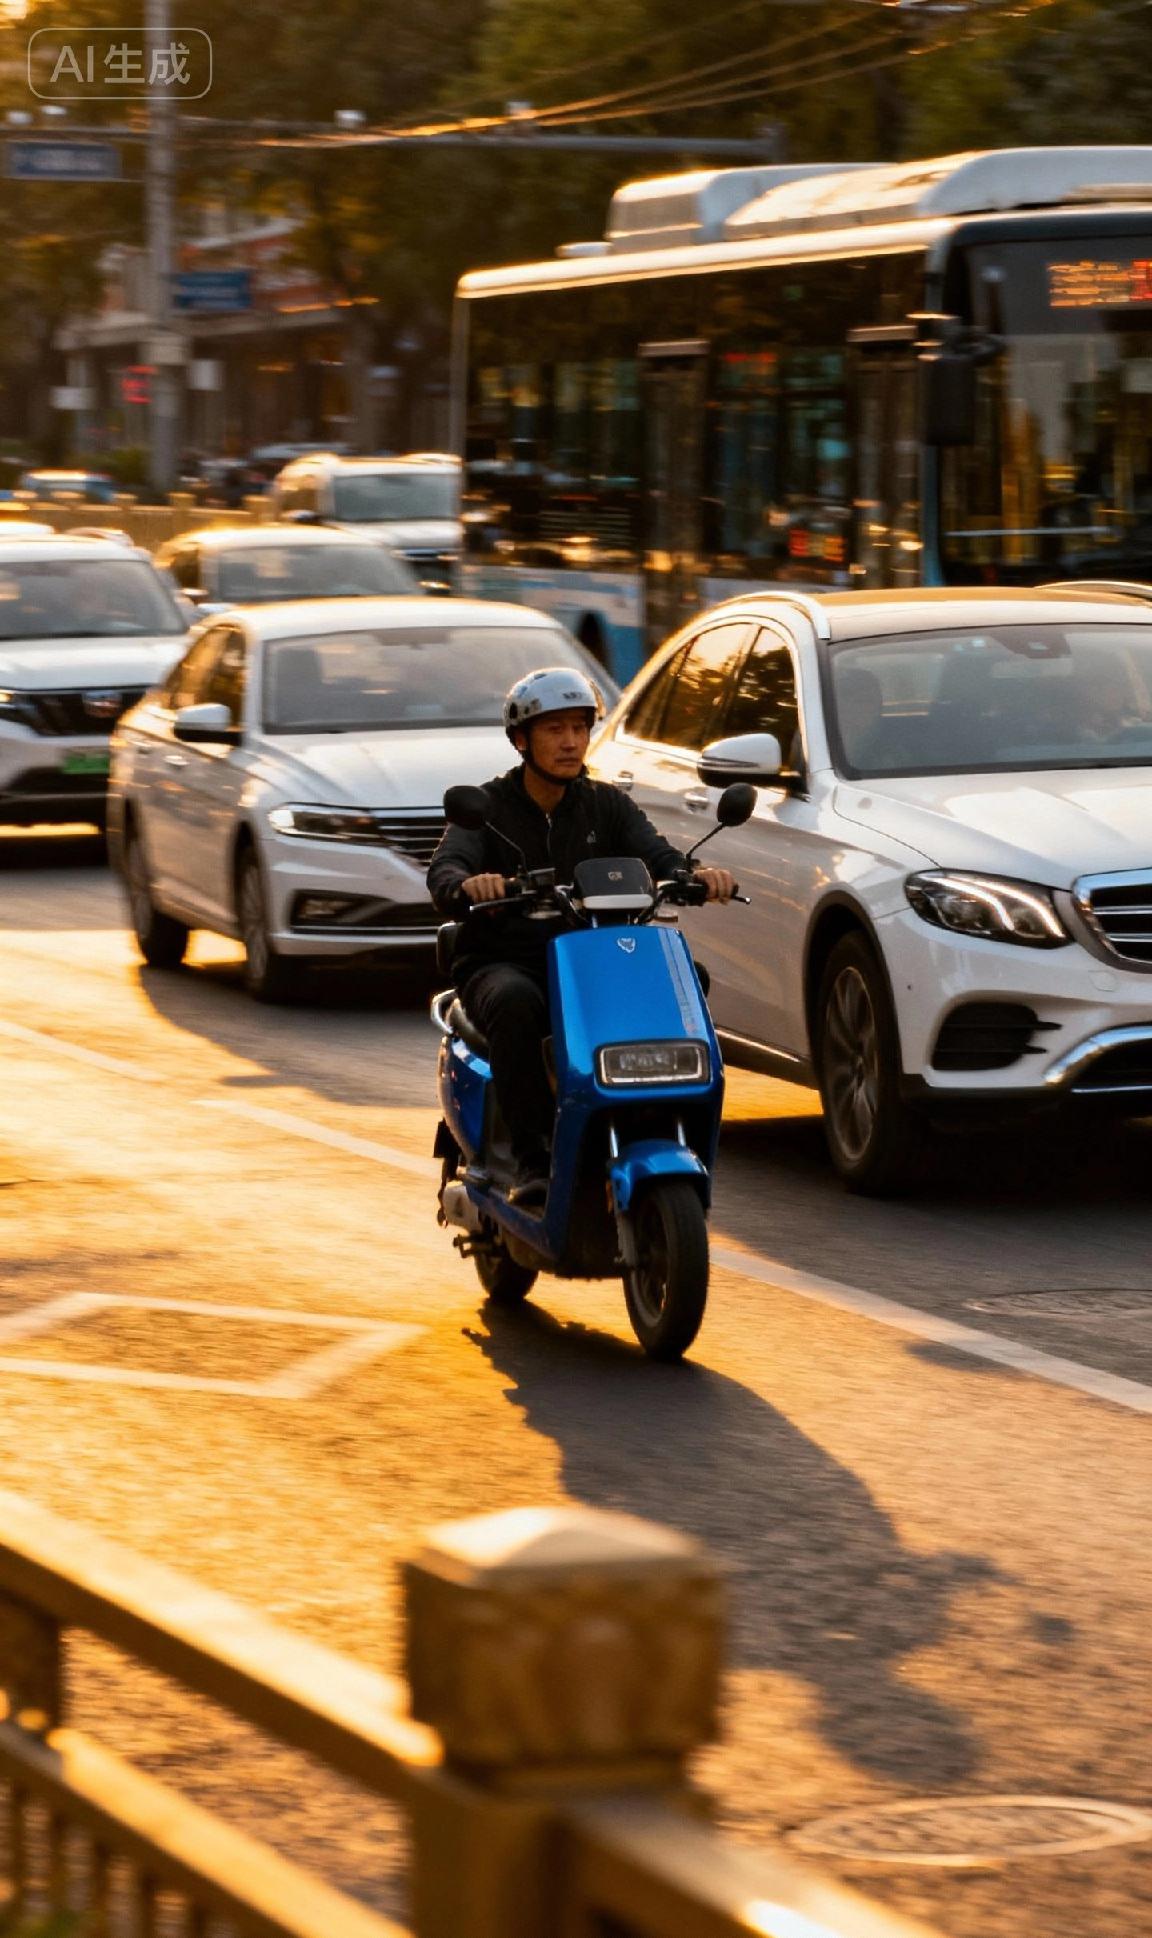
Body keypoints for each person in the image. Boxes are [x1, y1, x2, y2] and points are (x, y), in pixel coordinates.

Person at [427, 667, 735, 1207]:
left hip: (592, 960)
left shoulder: (606, 805)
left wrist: (697, 875)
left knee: (687, 981)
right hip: (507, 959)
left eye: (580, 727)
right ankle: (530, 1155)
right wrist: (468, 883)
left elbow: (658, 853)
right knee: (518, 1004)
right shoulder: (489, 808)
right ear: (521, 739)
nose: (570, 741)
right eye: (553, 730)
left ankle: (655, 1122)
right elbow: (446, 869)